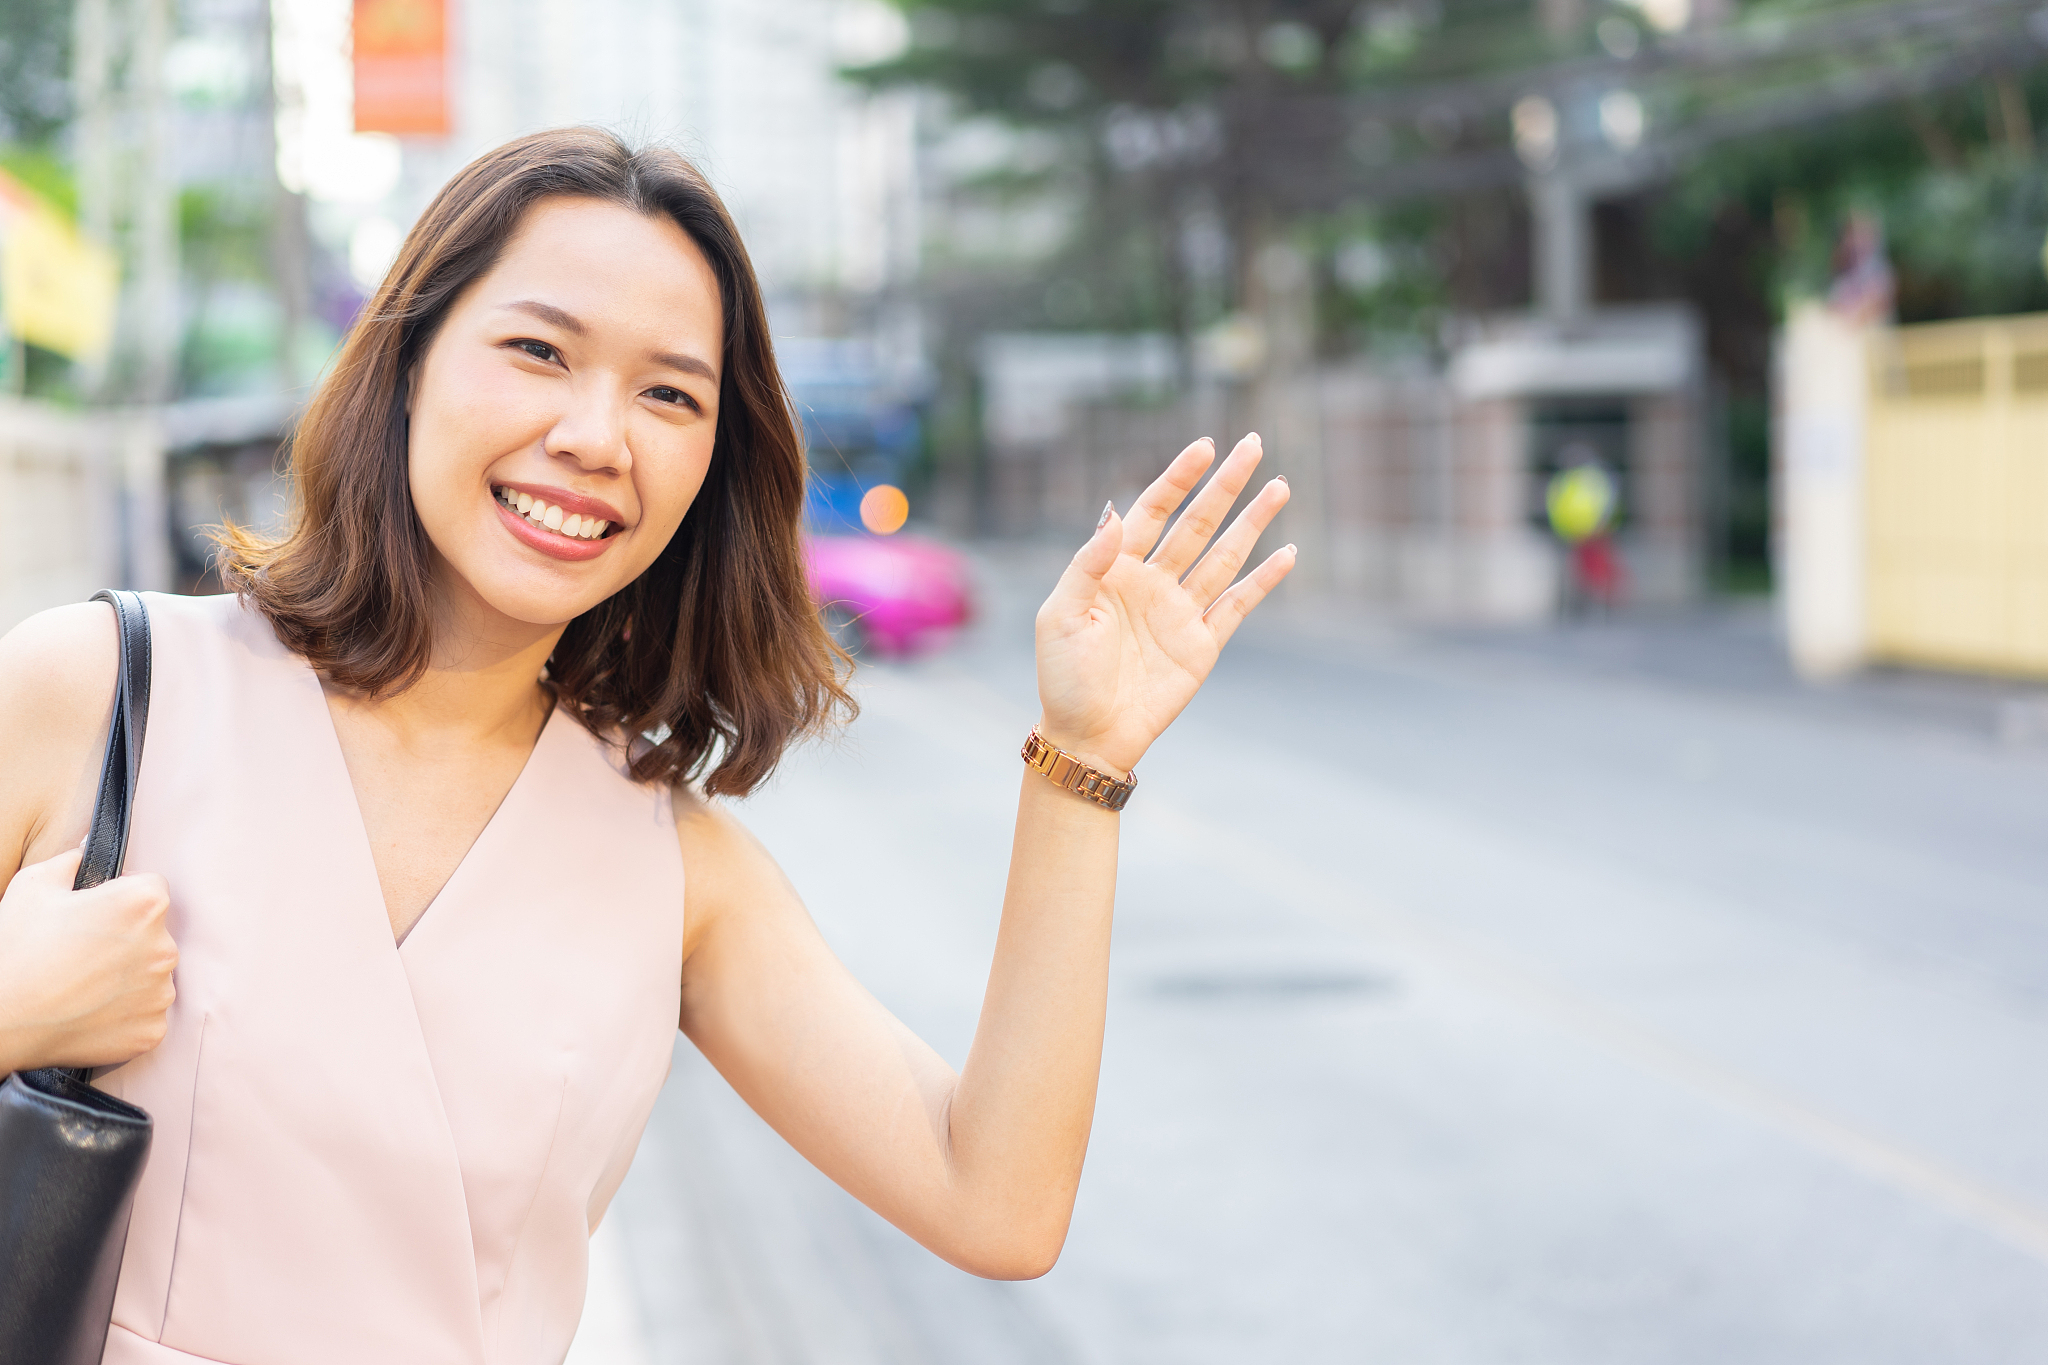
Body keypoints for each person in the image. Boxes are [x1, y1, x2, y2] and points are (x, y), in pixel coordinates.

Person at [0, 129, 1292, 1363]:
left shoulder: (679, 872)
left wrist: (1084, 755)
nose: (596, 437)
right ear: (406, 365)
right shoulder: (101, 692)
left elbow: (995, 1198)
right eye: (539, 351)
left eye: (669, 392)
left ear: (710, 463)